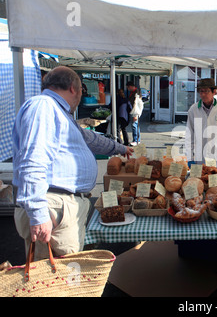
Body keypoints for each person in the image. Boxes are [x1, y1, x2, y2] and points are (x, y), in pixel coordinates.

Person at [12, 66, 133, 260]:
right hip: (52, 204)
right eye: (82, 91)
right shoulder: (43, 106)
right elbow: (32, 161)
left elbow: (89, 139)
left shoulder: (59, 113)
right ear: (73, 88)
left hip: (60, 205)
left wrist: (120, 148)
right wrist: (38, 214)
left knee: (65, 275)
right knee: (51, 280)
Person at [185, 78, 217, 168]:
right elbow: (189, 135)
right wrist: (190, 157)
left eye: (206, 91)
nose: (203, 94)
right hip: (201, 156)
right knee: (203, 180)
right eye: (201, 91)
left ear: (214, 92)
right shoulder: (193, 110)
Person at [127, 81, 143, 146]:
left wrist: (136, 114)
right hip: (134, 111)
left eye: (128, 87)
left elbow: (136, 104)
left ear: (130, 86)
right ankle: (136, 140)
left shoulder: (136, 93)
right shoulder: (135, 92)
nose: (128, 89)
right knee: (135, 125)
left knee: (134, 125)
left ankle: (136, 140)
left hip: (135, 111)